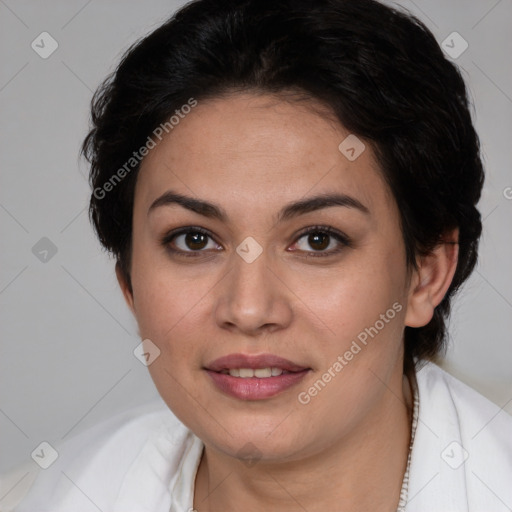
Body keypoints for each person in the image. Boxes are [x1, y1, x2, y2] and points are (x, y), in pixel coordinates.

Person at [10, 0, 512, 510]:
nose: (249, 310)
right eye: (194, 240)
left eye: (319, 239)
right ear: (129, 282)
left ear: (426, 274)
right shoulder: (46, 495)